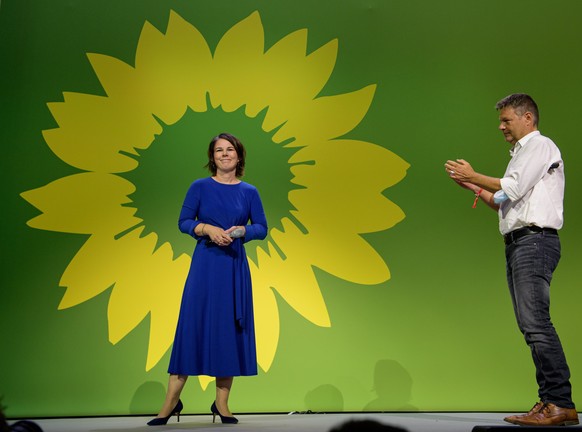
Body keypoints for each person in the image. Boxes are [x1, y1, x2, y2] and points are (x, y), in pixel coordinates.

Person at [445, 93, 578, 427]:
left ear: (528, 118)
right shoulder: (521, 155)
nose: (501, 126)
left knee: (536, 323)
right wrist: (472, 187)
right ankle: (550, 400)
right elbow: (504, 200)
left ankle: (560, 402)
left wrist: (474, 175)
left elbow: (512, 188)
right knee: (530, 325)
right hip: (521, 243)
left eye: (506, 120)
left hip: (535, 242)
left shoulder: (540, 145)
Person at [147, 133, 268, 426]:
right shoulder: (199, 187)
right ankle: (170, 404)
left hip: (233, 268)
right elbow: (184, 222)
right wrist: (206, 229)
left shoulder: (249, 191)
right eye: (218, 150)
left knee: (228, 330)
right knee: (192, 327)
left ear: (239, 157)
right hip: (205, 266)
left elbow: (262, 228)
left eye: (230, 150)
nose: (224, 154)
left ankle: (222, 404)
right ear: (212, 157)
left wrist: (241, 232)